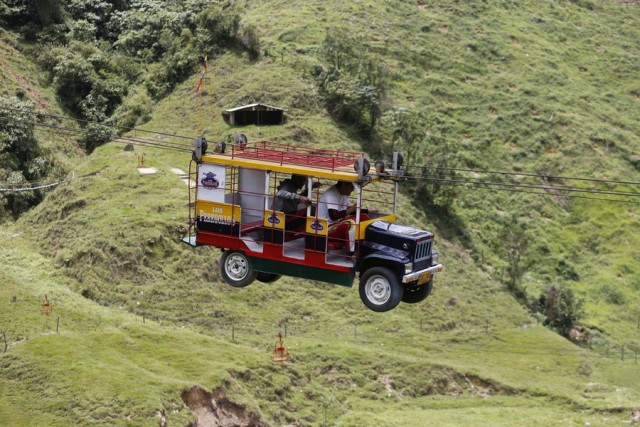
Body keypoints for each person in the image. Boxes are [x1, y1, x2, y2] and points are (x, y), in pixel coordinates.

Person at [317, 181, 376, 253]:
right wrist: (349, 210)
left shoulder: (343, 194)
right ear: (344, 184)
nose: (353, 189)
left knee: (364, 217)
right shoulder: (331, 194)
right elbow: (334, 216)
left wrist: (368, 211)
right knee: (351, 222)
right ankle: (351, 253)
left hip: (337, 224)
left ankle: (366, 244)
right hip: (326, 229)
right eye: (351, 187)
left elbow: (350, 210)